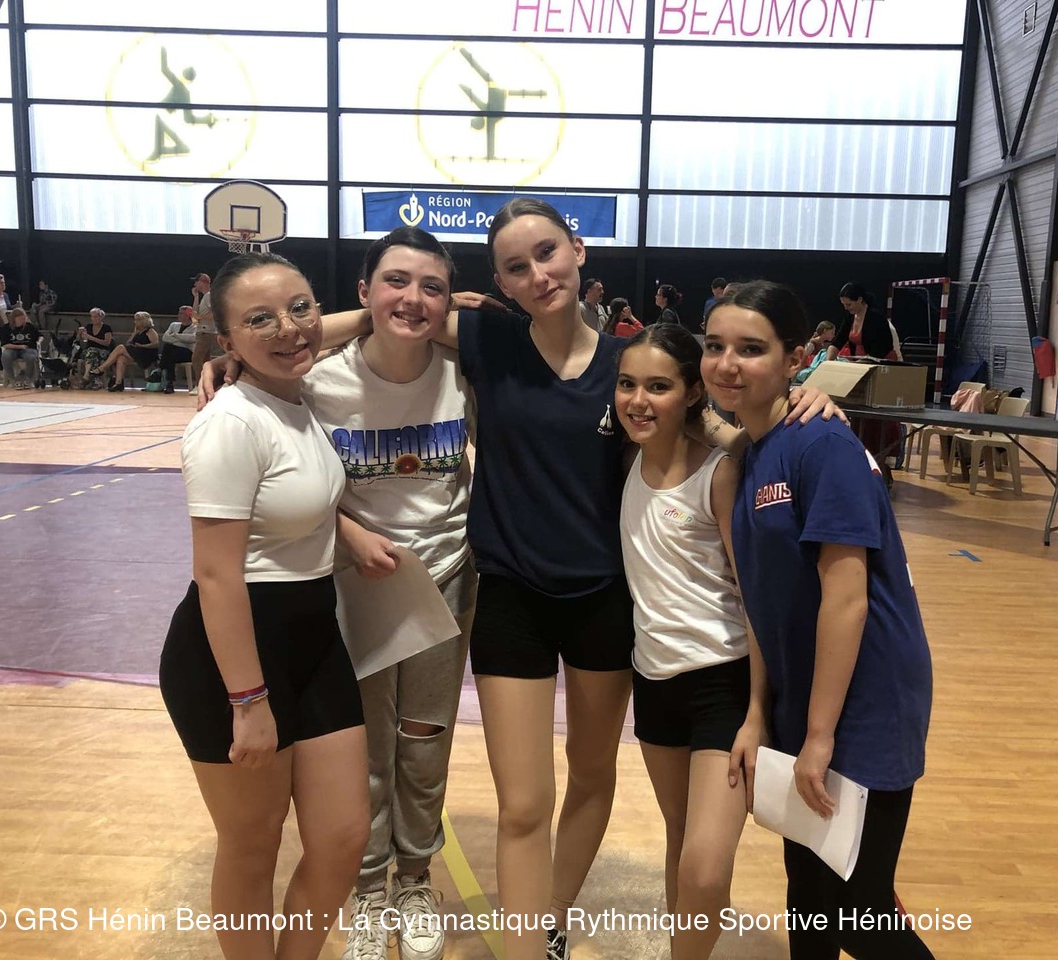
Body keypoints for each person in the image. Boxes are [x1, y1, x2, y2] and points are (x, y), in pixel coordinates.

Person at [204, 199, 838, 960]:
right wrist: (249, 352)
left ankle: (552, 920)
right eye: (515, 266)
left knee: (590, 777)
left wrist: (795, 404)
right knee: (524, 803)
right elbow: (388, 314)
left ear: (578, 250)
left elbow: (704, 418)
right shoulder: (489, 341)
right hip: (510, 598)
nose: (537, 274)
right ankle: (523, 945)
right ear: (499, 284)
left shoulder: (628, 364)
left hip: (605, 602)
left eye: (547, 253)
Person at [701, 280, 935, 960]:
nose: (727, 364)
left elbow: (848, 599)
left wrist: (821, 737)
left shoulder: (821, 445)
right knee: (808, 896)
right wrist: (760, 713)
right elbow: (763, 601)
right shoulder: (749, 452)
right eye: (714, 346)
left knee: (860, 912)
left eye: (751, 349)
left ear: (794, 358)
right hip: (806, 700)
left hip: (866, 700)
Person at [160, 252, 369, 960]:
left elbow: (311, 333)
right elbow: (217, 575)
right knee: (253, 845)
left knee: (343, 837)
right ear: (226, 340)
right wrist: (248, 702)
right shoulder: (229, 422)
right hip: (234, 658)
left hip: (315, 640)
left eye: (301, 307)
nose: (288, 328)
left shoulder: (294, 398)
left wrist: (409, 306)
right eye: (260, 320)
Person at [302, 227, 477, 960]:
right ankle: (369, 887)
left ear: (450, 303)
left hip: (447, 578)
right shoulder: (319, 382)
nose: (413, 299)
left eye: (432, 287)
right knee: (368, 747)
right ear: (363, 292)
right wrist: (348, 534)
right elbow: (293, 482)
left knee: (426, 740)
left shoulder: (466, 373)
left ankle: (414, 878)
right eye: (395, 281)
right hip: (360, 585)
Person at [614, 323, 763, 960]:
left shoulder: (719, 474)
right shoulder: (624, 460)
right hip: (653, 683)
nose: (638, 400)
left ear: (692, 392)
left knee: (705, 866)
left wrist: (757, 712)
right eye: (627, 384)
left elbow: (755, 602)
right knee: (679, 841)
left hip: (721, 685)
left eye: (658, 386)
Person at [827, 282, 895, 362]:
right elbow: (839, 340)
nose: (845, 308)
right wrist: (828, 360)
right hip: (861, 362)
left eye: (849, 304)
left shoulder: (877, 318)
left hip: (881, 363)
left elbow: (883, 347)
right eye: (843, 304)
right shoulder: (850, 317)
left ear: (860, 299)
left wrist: (863, 362)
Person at [94, 311, 159, 391]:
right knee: (121, 358)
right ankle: (118, 383)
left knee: (120, 347)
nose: (135, 322)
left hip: (147, 354)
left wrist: (142, 346)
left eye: (138, 320)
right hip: (137, 353)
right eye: (135, 320)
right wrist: (134, 333)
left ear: (144, 321)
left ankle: (102, 368)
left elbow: (156, 344)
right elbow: (128, 343)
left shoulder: (150, 331)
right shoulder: (137, 331)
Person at [0, 306, 40, 389]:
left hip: (28, 348)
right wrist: (18, 346)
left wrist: (39, 342)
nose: (22, 320)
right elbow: (4, 344)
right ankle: (12, 379)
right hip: (12, 348)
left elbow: (40, 335)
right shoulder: (6, 328)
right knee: (5, 356)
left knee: (30, 357)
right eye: (20, 319)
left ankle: (28, 379)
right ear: (14, 319)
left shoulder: (29, 326)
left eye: (23, 318)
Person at [159, 306, 197, 394]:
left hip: (187, 352)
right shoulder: (173, 325)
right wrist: (181, 340)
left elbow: (192, 339)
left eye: (181, 313)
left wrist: (176, 335)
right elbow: (165, 337)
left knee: (169, 349)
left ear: (188, 315)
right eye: (179, 313)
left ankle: (160, 370)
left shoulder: (195, 327)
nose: (179, 315)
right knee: (169, 352)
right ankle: (169, 383)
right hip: (173, 353)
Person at [191, 272, 216, 394]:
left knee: (196, 358)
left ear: (202, 282)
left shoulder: (209, 296)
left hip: (206, 332)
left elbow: (214, 314)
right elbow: (194, 312)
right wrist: (195, 297)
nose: (195, 284)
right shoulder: (204, 297)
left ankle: (199, 384)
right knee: (205, 360)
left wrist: (199, 317)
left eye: (196, 282)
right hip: (203, 331)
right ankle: (207, 385)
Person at [77, 308, 114, 387]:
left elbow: (107, 343)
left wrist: (92, 338)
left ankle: (86, 376)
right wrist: (79, 334)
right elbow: (82, 340)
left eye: (96, 317)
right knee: (91, 352)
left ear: (101, 317)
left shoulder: (107, 328)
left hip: (103, 351)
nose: (93, 319)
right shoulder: (89, 326)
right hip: (88, 351)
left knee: (92, 352)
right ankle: (92, 378)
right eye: (92, 317)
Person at [792, 321, 836, 386]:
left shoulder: (821, 344)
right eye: (832, 332)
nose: (833, 335)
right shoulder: (812, 344)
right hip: (805, 374)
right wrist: (799, 375)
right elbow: (802, 359)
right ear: (825, 331)